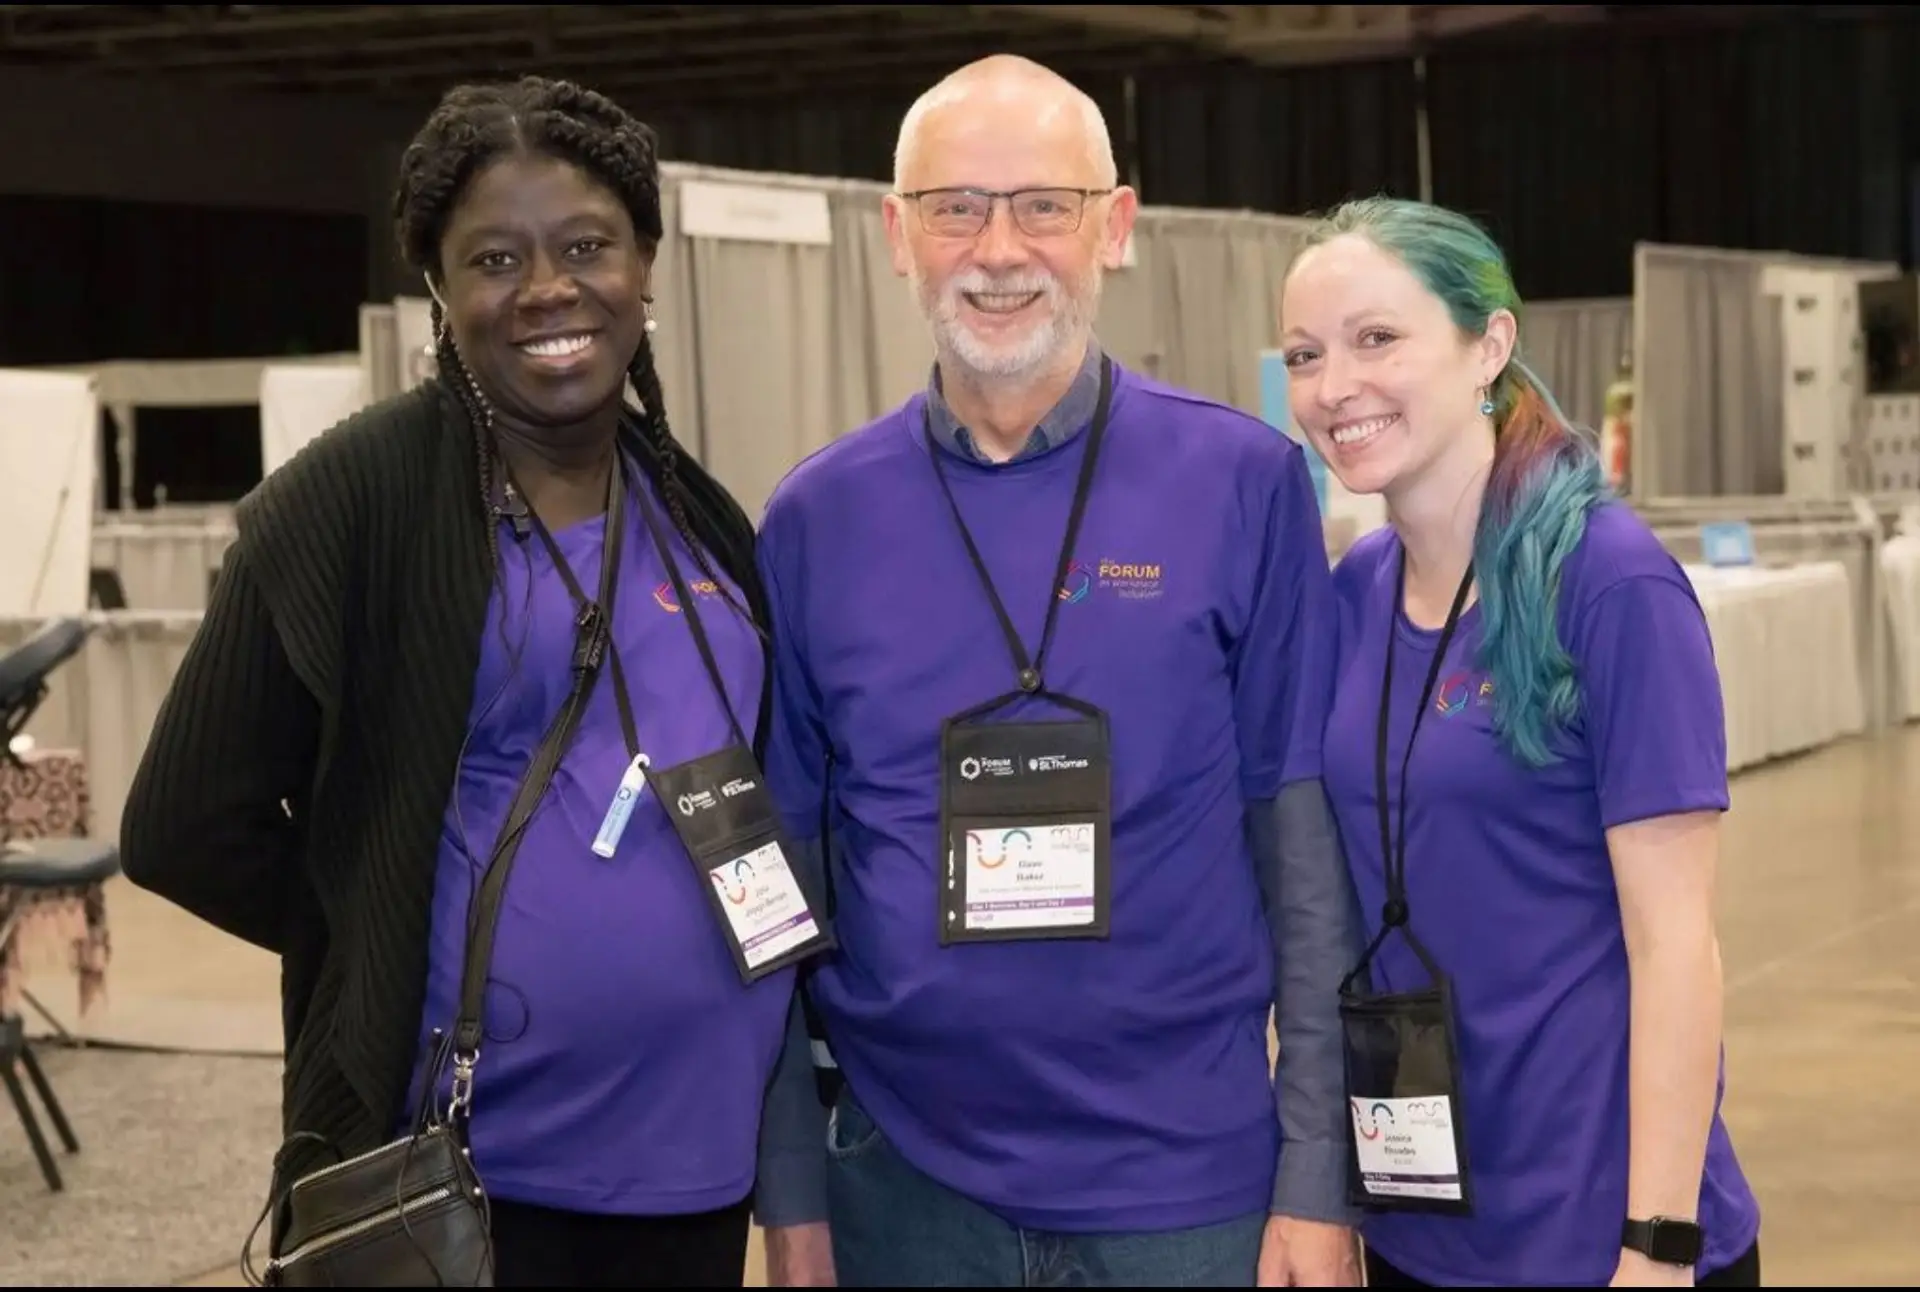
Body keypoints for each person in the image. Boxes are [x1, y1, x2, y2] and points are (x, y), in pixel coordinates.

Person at [119, 75, 828, 1287]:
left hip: (694, 1164)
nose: (549, 287)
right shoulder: (357, 498)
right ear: (440, 292)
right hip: (472, 1177)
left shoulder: (691, 508)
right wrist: (381, 929)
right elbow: (181, 824)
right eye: (496, 258)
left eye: (587, 246)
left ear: (645, 267)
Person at [750, 54, 1362, 1287]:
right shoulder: (816, 519)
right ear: (897, 236)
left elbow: (1302, 855)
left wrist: (1316, 1173)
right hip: (901, 1191)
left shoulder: (1241, 486)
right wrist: (792, 1187)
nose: (999, 250)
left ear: (1114, 227)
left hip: (1190, 1191)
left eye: (1044, 205)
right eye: (955, 208)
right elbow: (783, 883)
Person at [1275, 195, 1762, 1288]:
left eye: (1376, 338)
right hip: (1420, 1228)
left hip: (1601, 1235)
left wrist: (1658, 1243)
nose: (1333, 386)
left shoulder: (1609, 583)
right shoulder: (1356, 590)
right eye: (1305, 354)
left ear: (1488, 345)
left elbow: (1676, 947)